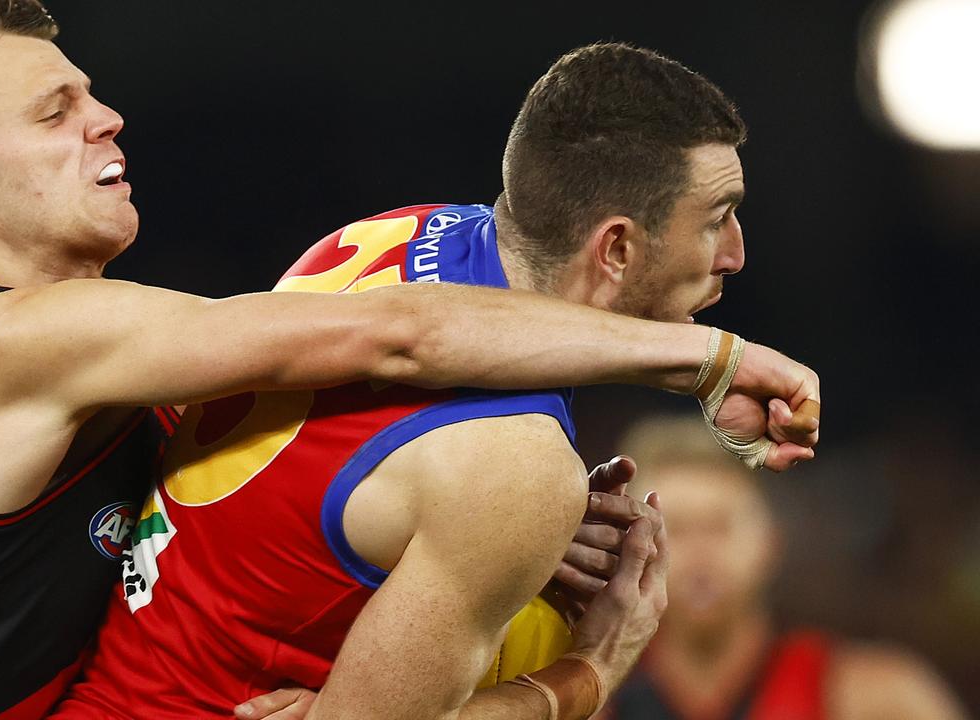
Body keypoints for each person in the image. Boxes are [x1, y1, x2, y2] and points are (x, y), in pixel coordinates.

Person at [0, 3, 820, 719]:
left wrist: (464, 522)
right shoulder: (17, 343)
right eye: (56, 112)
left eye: (87, 93)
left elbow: (288, 458)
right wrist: (591, 670)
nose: (107, 116)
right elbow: (398, 335)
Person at [53, 43, 819, 720]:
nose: (736, 253)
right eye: (718, 216)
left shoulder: (398, 236)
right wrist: (593, 670)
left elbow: (338, 493)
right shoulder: (515, 472)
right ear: (615, 248)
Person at [600, 416, 969, 720]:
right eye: (676, 528)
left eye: (720, 526)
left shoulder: (876, 698)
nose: (701, 554)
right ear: (637, 548)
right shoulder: (592, 701)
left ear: (770, 542)